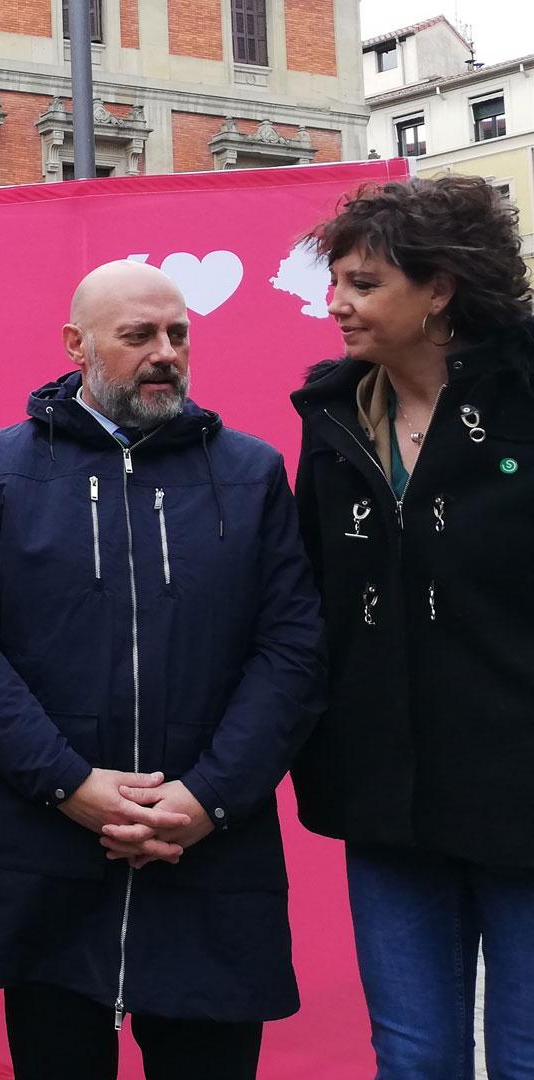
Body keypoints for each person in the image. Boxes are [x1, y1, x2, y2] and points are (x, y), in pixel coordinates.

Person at [0, 260, 325, 1079]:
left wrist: (207, 797)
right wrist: (70, 785)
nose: (165, 352)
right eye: (138, 335)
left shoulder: (249, 474)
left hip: (208, 863)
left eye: (177, 334)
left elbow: (293, 650)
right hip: (51, 859)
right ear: (78, 345)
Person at [290, 175, 534, 1076]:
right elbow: (308, 601)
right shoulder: (333, 419)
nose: (337, 303)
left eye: (363, 283)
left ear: (440, 289)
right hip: (387, 796)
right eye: (337, 280)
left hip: (522, 794)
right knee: (412, 1057)